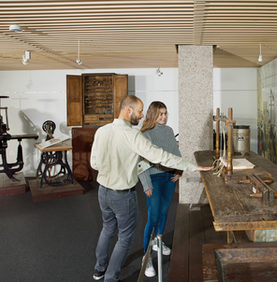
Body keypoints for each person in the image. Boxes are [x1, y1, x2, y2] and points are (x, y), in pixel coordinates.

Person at [90, 95, 211, 282]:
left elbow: (95, 164)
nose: (140, 116)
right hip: (122, 195)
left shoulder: (102, 131)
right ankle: (111, 278)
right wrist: (194, 167)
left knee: (107, 229)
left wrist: (115, 166)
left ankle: (99, 270)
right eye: (139, 112)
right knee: (124, 238)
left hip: (103, 192)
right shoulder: (133, 135)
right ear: (128, 110)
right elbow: (161, 156)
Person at [137, 101, 180, 277]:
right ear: (152, 114)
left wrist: (179, 170)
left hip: (169, 178)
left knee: (163, 212)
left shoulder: (169, 130)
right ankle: (146, 258)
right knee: (153, 216)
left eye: (165, 113)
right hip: (153, 179)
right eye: (160, 114)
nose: (164, 117)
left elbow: (175, 153)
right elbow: (140, 161)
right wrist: (146, 184)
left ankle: (159, 241)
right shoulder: (145, 134)